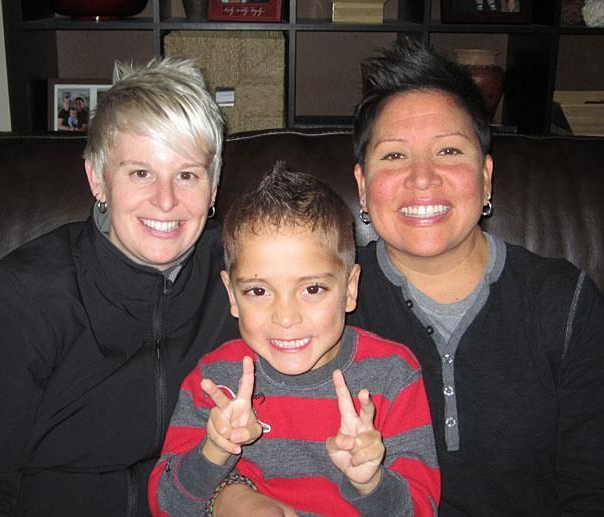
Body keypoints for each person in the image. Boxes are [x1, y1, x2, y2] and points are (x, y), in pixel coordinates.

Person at [0, 57, 239, 516]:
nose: (166, 201)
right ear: (98, 178)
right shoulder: (20, 300)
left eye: (187, 175)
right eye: (140, 173)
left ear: (213, 188)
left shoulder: (243, 274)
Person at [348, 38, 604, 515]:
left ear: (486, 176)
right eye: (395, 156)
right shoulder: (321, 304)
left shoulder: (563, 303)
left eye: (448, 150)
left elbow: (591, 488)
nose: (422, 178)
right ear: (362, 185)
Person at [148, 164, 440, 516]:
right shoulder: (214, 380)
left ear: (349, 289)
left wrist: (370, 483)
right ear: (232, 295)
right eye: (258, 291)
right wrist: (215, 449)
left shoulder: (393, 375)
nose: (285, 317)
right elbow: (166, 505)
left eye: (312, 289)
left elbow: (422, 509)